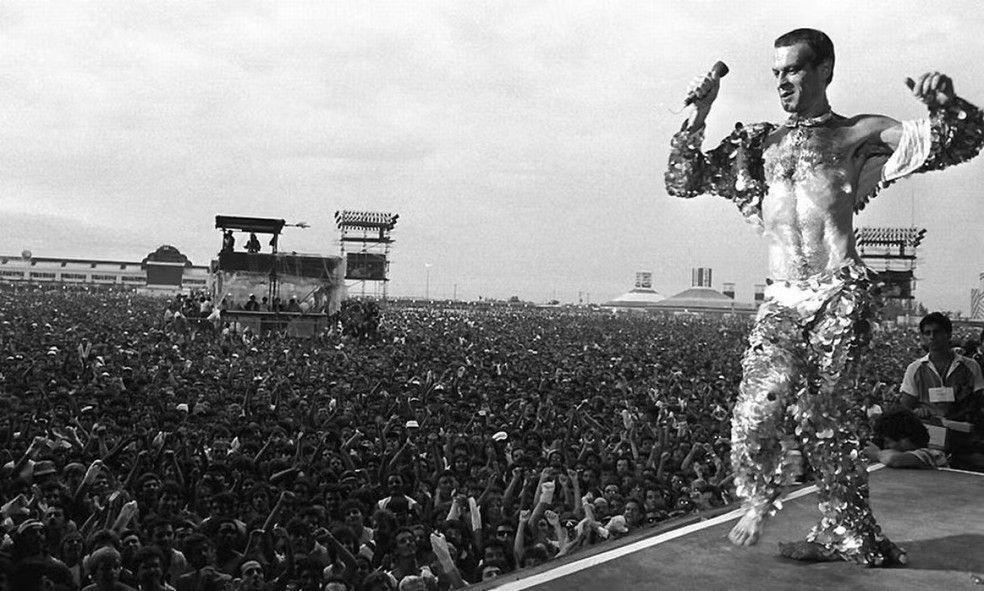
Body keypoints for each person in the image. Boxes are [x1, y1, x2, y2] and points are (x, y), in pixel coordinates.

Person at [665, 28, 984, 565]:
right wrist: (699, 112)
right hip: (783, 299)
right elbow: (682, 179)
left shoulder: (857, 135)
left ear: (824, 70)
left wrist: (948, 107)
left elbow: (963, 140)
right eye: (776, 73)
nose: (782, 83)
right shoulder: (757, 145)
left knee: (825, 420)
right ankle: (762, 498)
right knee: (751, 415)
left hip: (838, 292)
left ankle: (844, 532)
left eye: (792, 70)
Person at [899, 312, 984, 470]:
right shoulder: (915, 369)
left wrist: (954, 419)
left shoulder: (971, 366)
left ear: (948, 334)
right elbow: (905, 406)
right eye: (927, 333)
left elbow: (978, 403)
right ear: (922, 337)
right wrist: (918, 412)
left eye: (937, 332)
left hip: (964, 439)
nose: (932, 337)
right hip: (929, 441)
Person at [865, 408, 948, 469]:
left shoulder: (933, 455)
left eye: (888, 441)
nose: (886, 446)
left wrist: (877, 454)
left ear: (905, 441)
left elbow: (896, 460)